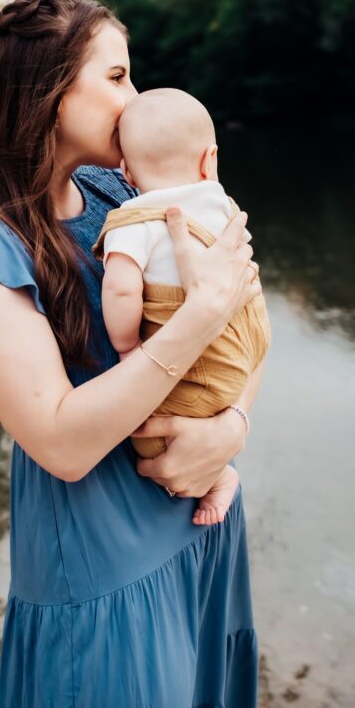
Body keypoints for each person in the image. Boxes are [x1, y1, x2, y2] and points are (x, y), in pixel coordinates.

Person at [0, 0, 265, 708]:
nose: (135, 98)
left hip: (199, 527)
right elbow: (61, 443)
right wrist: (193, 321)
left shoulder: (116, 191)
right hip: (103, 577)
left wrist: (232, 424)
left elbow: (244, 310)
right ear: (50, 92)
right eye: (117, 76)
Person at [91, 87, 271, 528]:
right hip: (248, 339)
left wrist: (127, 344)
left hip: (195, 365)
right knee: (207, 419)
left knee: (159, 431)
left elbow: (120, 290)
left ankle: (206, 479)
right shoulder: (222, 204)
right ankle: (221, 470)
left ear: (126, 172)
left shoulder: (135, 219)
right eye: (117, 74)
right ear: (210, 160)